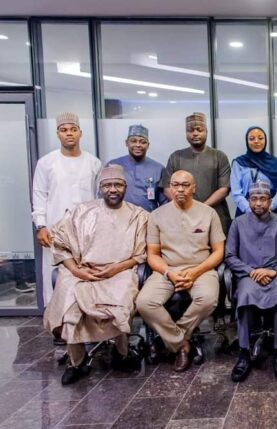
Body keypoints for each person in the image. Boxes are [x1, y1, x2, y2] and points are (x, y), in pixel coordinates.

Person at [44, 165, 148, 385]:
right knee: (70, 305)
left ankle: (122, 354)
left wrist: (115, 269)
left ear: (125, 187)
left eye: (117, 185)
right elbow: (61, 244)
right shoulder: (81, 212)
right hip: (81, 270)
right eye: (107, 185)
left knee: (120, 302)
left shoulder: (138, 215)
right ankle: (77, 363)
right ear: (100, 188)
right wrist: (75, 269)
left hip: (119, 271)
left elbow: (141, 254)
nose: (113, 189)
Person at [136, 170, 226, 372]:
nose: (180, 189)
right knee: (144, 302)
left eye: (185, 185)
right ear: (170, 187)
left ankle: (169, 339)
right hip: (167, 270)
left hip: (201, 269)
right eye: (175, 185)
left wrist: (195, 272)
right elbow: (152, 254)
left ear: (194, 188)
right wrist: (169, 273)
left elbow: (219, 252)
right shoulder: (157, 216)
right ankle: (182, 344)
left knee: (208, 298)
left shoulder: (208, 213)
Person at [225, 180, 277, 382]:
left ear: (270, 201)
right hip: (248, 275)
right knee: (245, 295)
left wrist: (275, 270)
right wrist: (251, 271)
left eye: (262, 199)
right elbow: (230, 256)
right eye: (254, 199)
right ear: (248, 201)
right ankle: (244, 353)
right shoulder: (238, 224)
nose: (258, 203)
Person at [32, 112, 102, 306]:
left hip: (86, 230)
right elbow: (39, 196)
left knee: (84, 271)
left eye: (73, 130)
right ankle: (57, 323)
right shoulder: (46, 163)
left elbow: (99, 199)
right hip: (54, 229)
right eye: (64, 130)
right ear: (58, 134)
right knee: (54, 273)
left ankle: (86, 316)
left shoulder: (93, 163)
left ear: (81, 133)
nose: (69, 134)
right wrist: (40, 226)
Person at [160, 113, 232, 233]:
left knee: (217, 248)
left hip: (214, 213)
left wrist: (200, 208)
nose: (195, 133)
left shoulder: (219, 156)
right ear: (186, 133)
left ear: (206, 131)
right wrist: (185, 206)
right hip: (181, 214)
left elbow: (224, 189)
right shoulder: (176, 157)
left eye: (199, 130)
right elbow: (167, 187)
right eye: (190, 130)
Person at [231, 126, 277, 217]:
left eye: (260, 138)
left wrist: (269, 207)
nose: (256, 141)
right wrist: (250, 209)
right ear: (247, 141)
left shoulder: (274, 163)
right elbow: (236, 193)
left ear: (265, 140)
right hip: (246, 214)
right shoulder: (239, 163)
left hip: (271, 213)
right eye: (251, 138)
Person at [107, 124, 166, 212]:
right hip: (119, 219)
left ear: (148, 145)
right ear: (126, 143)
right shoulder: (112, 166)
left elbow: (164, 202)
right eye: (133, 141)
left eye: (143, 142)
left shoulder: (158, 169)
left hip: (148, 219)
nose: (138, 145)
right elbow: (103, 195)